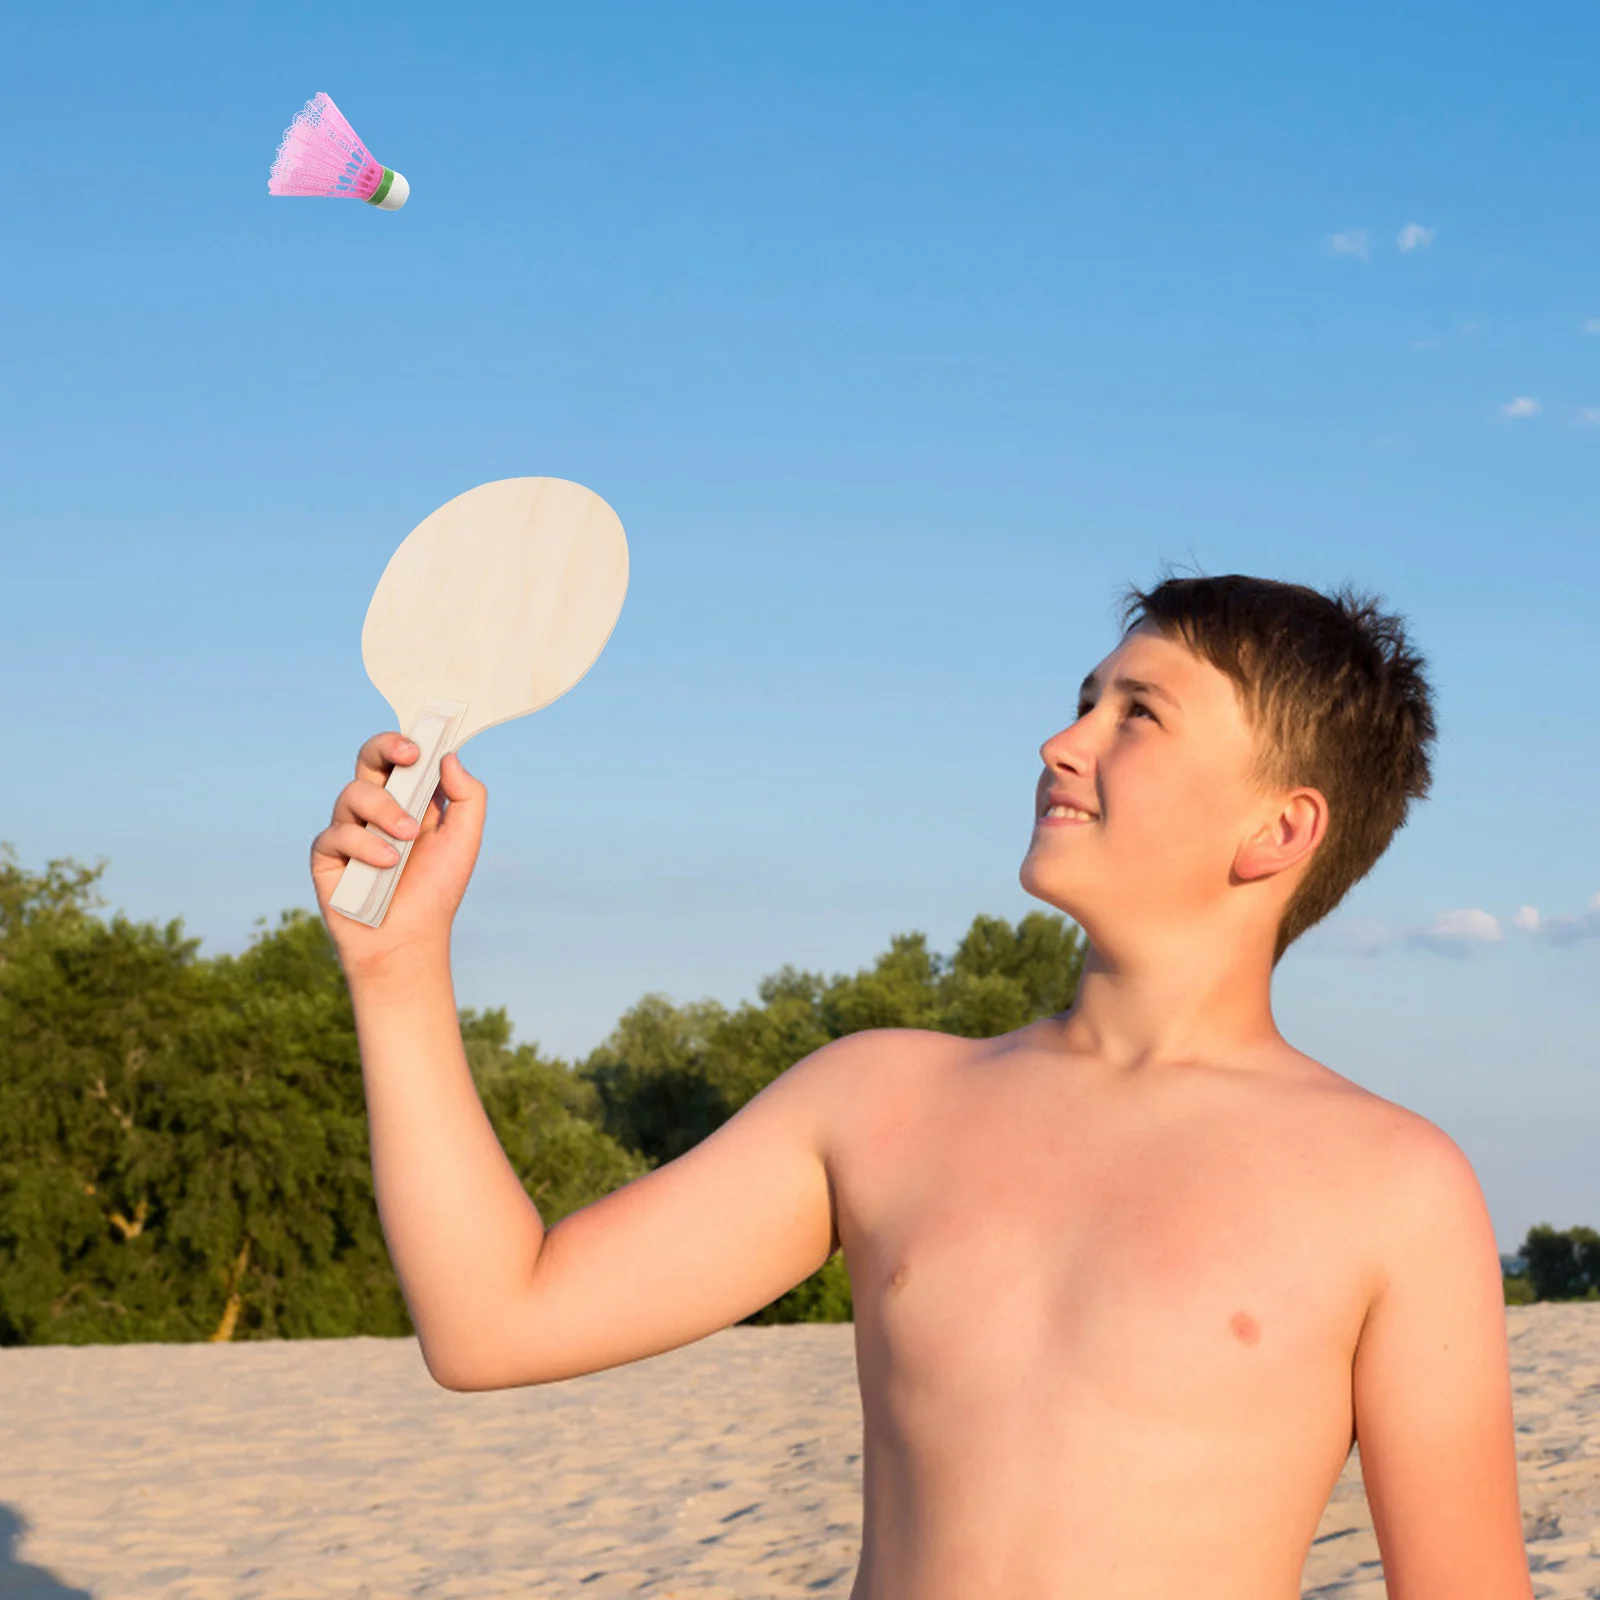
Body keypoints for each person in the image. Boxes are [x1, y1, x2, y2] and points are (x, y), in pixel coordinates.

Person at [311, 573, 1532, 1599]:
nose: (1062, 740)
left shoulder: (1388, 1187)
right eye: (1082, 702)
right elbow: (493, 1322)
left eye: (1137, 716)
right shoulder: (880, 1098)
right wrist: (399, 963)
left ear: (1276, 831)